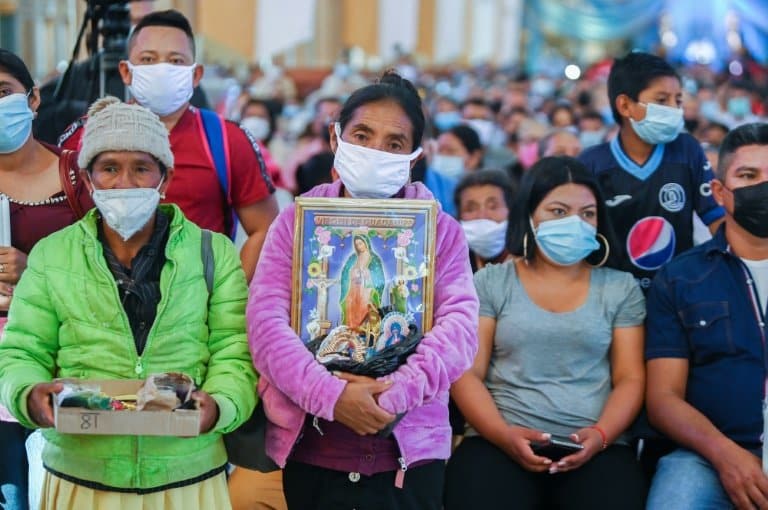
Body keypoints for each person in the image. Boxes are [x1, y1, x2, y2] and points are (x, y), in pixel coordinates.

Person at [0, 96, 257, 509]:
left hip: (187, 477)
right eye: (109, 168)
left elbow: (235, 351)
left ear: (165, 179)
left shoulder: (213, 253)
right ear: (87, 180)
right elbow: (21, 349)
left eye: (141, 168)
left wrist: (220, 405)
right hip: (81, 480)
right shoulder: (52, 256)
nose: (125, 184)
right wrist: (30, 395)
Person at [247, 71, 479, 510]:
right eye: (362, 135)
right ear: (336, 140)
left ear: (413, 157)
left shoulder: (440, 233)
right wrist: (333, 397)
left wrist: (393, 395)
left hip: (407, 456)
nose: (376, 151)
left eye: (394, 143)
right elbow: (266, 326)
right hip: (314, 448)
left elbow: (459, 330)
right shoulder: (298, 223)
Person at [445, 156, 647, 510]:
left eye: (587, 213)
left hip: (599, 446)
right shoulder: (492, 282)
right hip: (497, 440)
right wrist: (503, 435)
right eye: (558, 211)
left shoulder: (620, 288)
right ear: (530, 216)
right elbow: (468, 373)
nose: (575, 223)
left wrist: (599, 437)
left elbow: (630, 378)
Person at [58, 9, 278, 281]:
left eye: (176, 61)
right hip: (101, 301)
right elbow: (55, 218)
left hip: (198, 307)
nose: (162, 69)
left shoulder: (226, 140)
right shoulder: (87, 135)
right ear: (127, 71)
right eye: (148, 59)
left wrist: (228, 295)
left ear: (195, 75)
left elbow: (265, 227)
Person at [645, 123, 768, 509]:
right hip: (708, 456)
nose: (762, 187)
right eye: (748, 176)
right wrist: (725, 454)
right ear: (719, 192)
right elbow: (663, 398)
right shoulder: (681, 278)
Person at [0, 48, 94, 510]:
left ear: (33, 99)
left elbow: (107, 266)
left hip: (62, 356)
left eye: (3, 92)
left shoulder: (78, 175)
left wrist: (32, 270)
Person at [578, 51, 724, 291]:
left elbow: (716, 218)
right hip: (612, 292)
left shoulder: (687, 150)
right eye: (661, 100)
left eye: (678, 101)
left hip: (677, 290)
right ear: (625, 105)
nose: (674, 110)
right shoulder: (593, 163)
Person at [455, 169, 515, 272]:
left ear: (511, 212)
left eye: (493, 207)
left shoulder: (529, 265)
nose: (482, 216)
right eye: (471, 209)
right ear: (459, 217)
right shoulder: (452, 269)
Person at [339, 234, 386, 329]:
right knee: (350, 303)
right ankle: (352, 329)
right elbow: (346, 271)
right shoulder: (353, 257)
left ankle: (363, 330)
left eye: (360, 243)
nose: (359, 247)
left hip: (367, 288)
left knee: (364, 306)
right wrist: (353, 272)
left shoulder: (374, 259)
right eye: (357, 245)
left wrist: (368, 273)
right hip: (353, 287)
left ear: (366, 243)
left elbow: (379, 276)